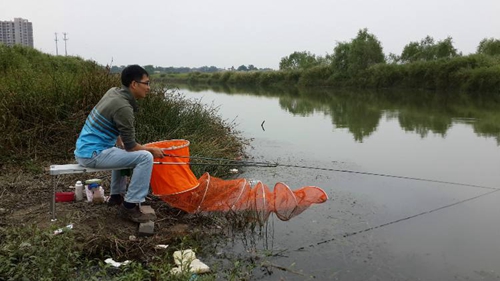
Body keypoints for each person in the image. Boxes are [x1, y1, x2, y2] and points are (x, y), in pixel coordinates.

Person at [74, 65, 164, 223]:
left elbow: (119, 133)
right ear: (134, 84)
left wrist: (121, 144)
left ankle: (116, 196)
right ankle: (129, 206)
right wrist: (151, 150)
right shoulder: (123, 107)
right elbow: (132, 147)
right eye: (146, 83)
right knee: (145, 157)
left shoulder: (113, 92)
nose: (149, 88)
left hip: (85, 150)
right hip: (93, 155)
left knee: (122, 150)